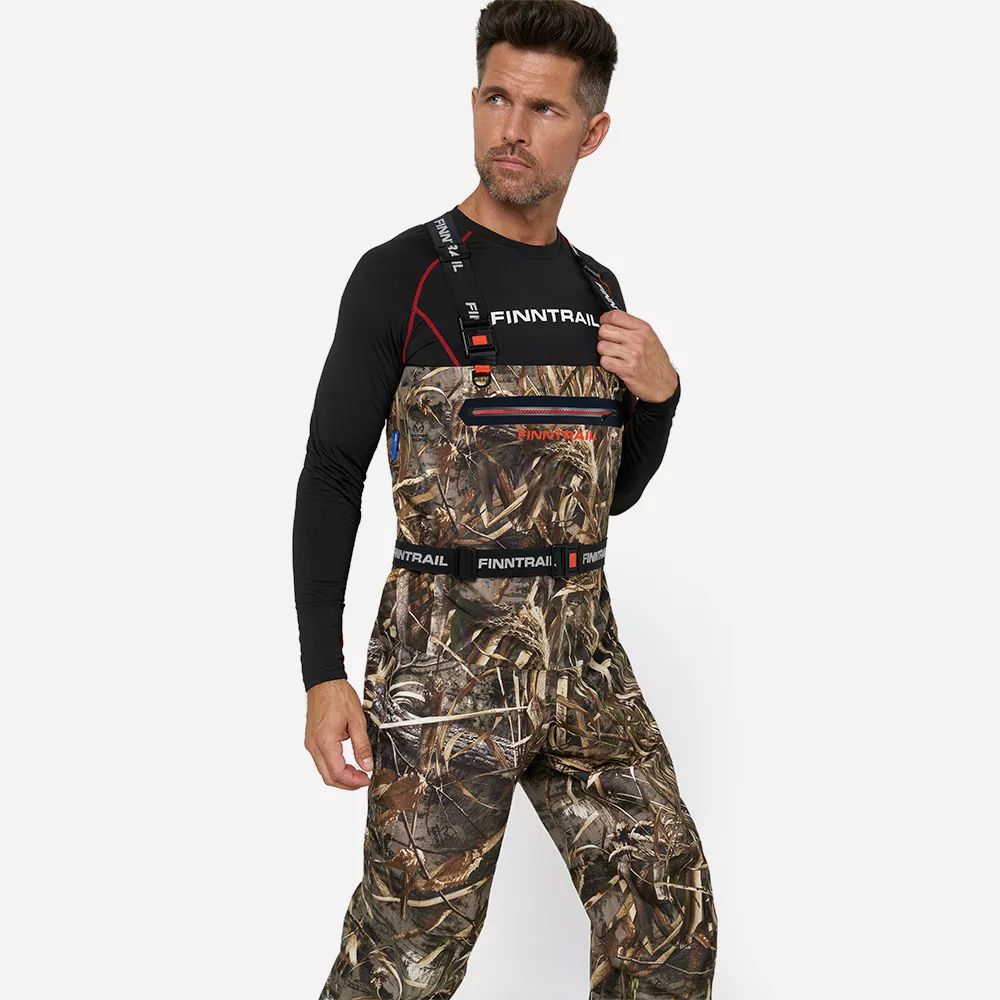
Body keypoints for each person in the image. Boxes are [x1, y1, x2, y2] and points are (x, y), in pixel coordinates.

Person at [292, 2, 718, 996]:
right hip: (445, 662)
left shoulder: (597, 290)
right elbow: (332, 471)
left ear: (592, 131)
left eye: (542, 109)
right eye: (495, 99)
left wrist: (660, 398)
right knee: (405, 959)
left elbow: (606, 499)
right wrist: (321, 673)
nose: (511, 130)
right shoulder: (400, 277)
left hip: (584, 654)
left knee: (666, 912)